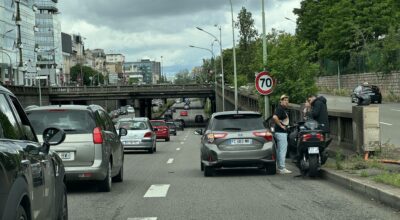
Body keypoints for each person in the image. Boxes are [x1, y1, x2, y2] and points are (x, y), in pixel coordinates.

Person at [272, 94, 292, 174]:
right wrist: (281, 125)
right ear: (281, 101)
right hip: (281, 132)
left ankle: (279, 167)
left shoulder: (282, 109)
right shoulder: (280, 109)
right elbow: (274, 117)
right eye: (284, 100)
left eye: (287, 100)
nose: (286, 102)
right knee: (282, 150)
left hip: (279, 132)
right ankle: (282, 168)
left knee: (279, 150)